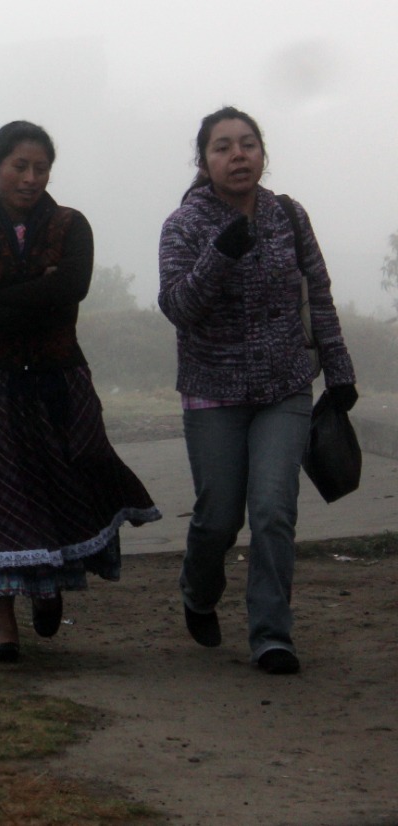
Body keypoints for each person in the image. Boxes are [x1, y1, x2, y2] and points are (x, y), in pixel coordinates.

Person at [0, 121, 161, 663]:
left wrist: (4, 296)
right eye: (19, 166)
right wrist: (42, 289)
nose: (30, 178)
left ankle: (49, 584)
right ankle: (4, 624)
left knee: (63, 484)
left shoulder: (72, 225)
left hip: (57, 380)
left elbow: (72, 288)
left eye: (41, 168)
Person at [157, 106, 356, 676]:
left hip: (284, 388)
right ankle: (198, 590)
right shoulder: (185, 225)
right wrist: (222, 252)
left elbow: (317, 294)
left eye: (247, 144)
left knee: (272, 511)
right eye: (223, 147)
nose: (237, 155)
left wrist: (338, 370)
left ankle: (272, 634)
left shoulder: (288, 216)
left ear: (263, 154)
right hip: (211, 392)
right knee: (219, 518)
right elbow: (179, 308)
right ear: (204, 162)